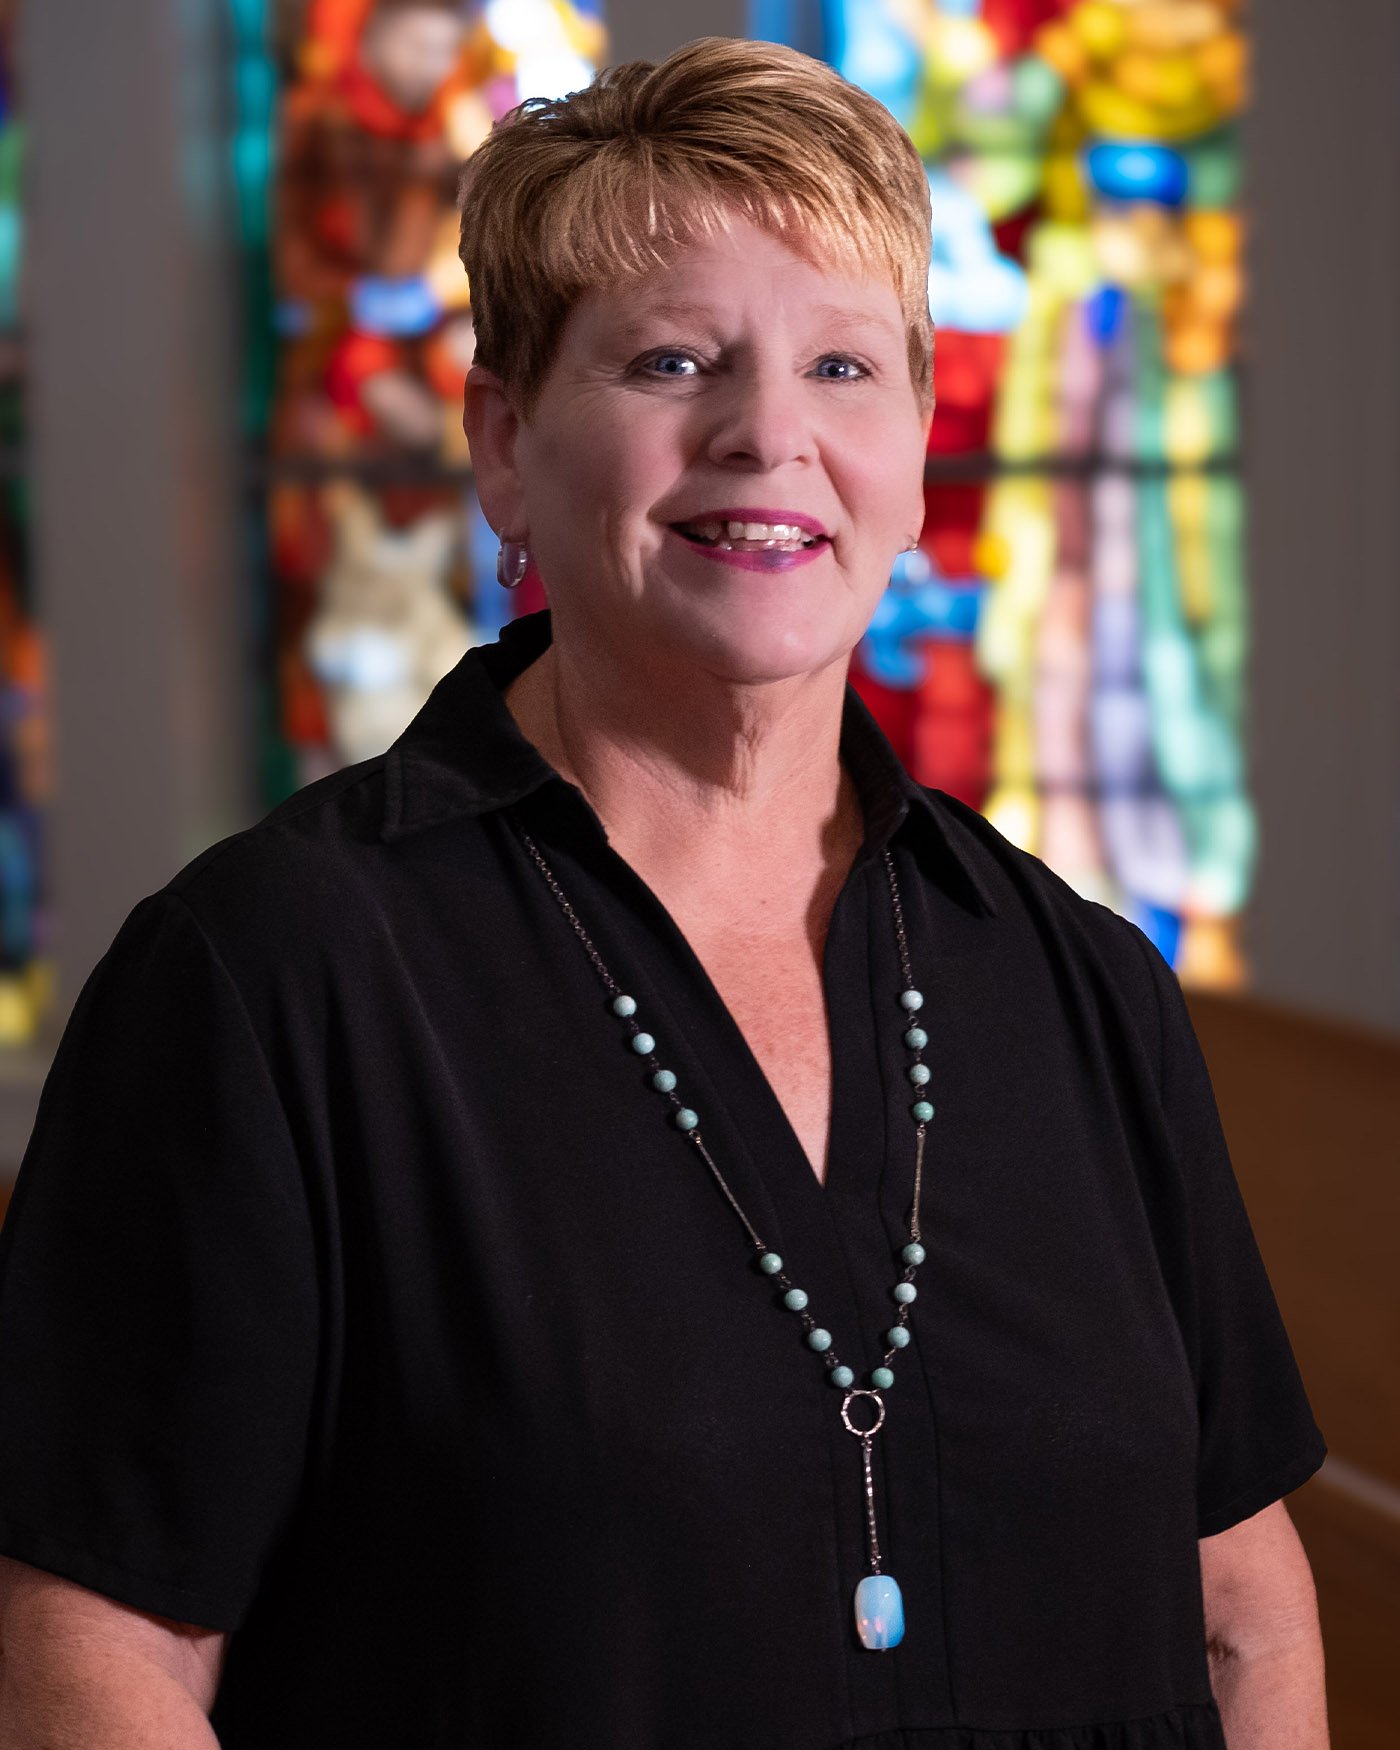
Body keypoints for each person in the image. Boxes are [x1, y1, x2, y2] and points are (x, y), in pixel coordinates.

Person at [0, 35, 1328, 1750]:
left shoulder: (1078, 983)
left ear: (918, 450)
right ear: (503, 441)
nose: (768, 433)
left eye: (844, 365)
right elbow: (90, 1648)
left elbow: (1246, 1609)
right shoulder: (274, 976)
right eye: (671, 359)